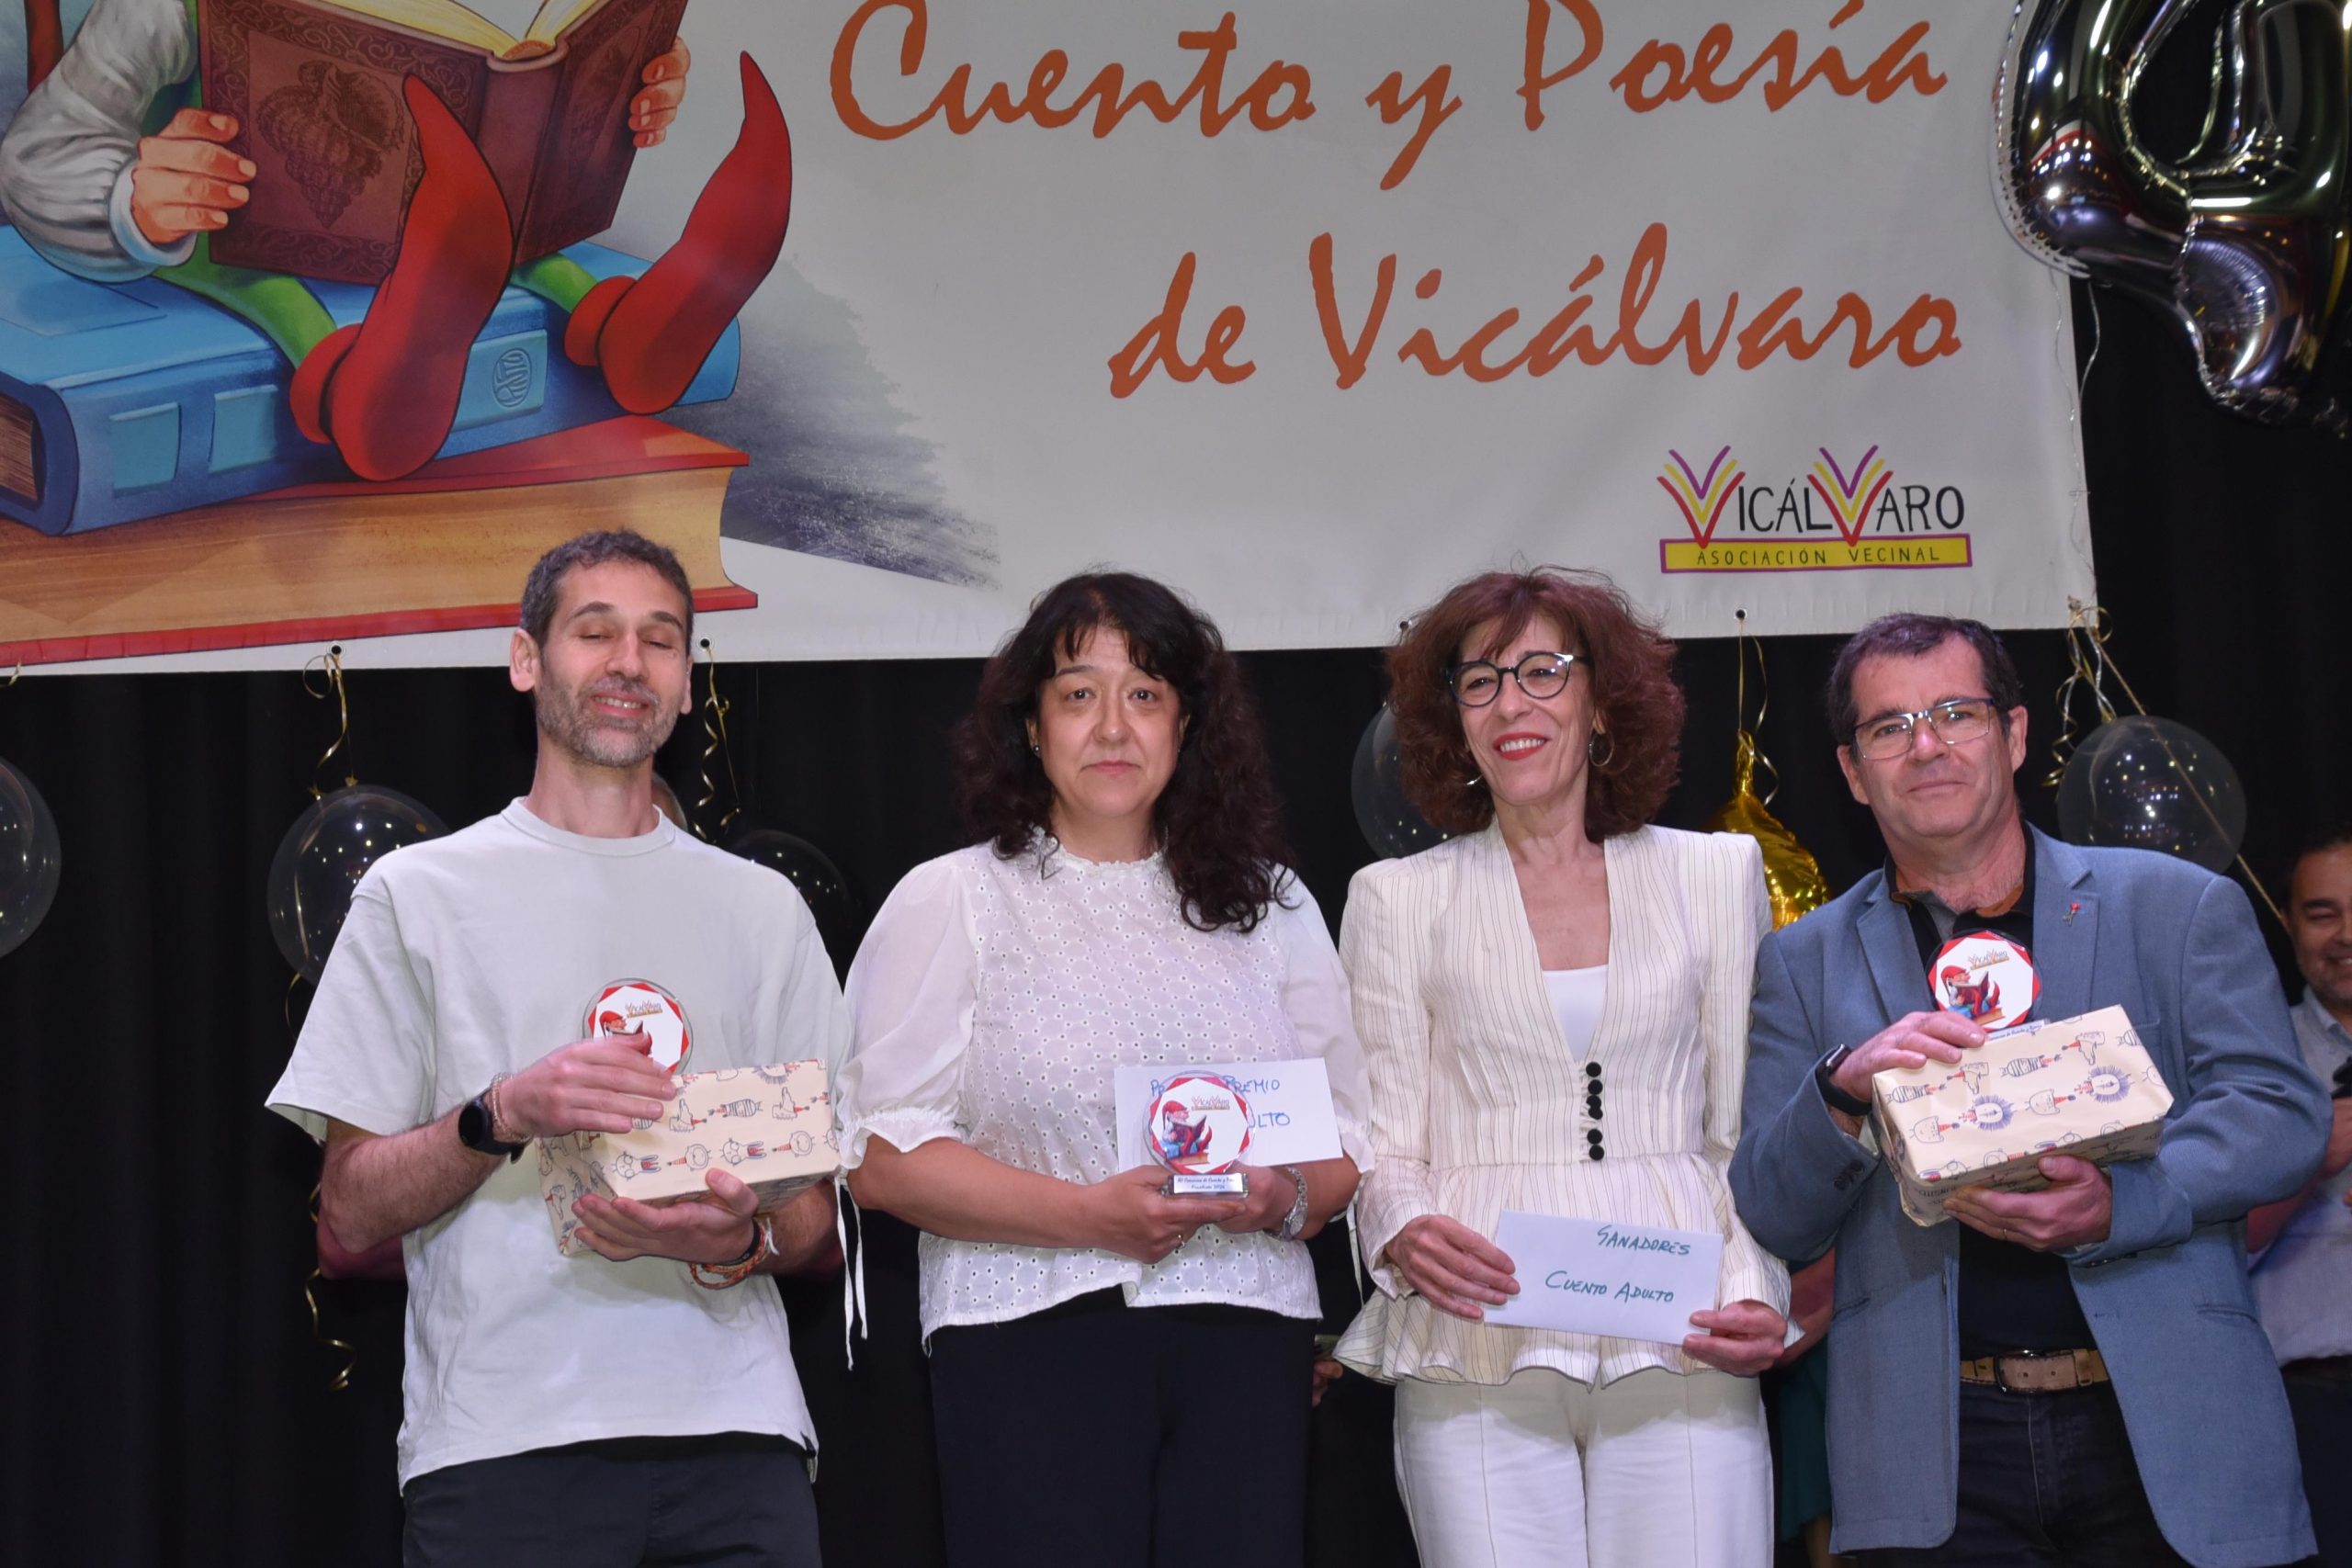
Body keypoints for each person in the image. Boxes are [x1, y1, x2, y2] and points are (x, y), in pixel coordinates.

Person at [266, 530, 848, 1565]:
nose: (629, 662)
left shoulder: (762, 910)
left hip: (739, 1440)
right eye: (595, 632)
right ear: (526, 660)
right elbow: (347, 1212)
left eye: (660, 640)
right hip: (502, 1445)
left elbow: (823, 1219)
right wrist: (505, 1113)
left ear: (685, 683)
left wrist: (738, 1242)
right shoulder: (418, 895)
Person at [1730, 612, 2328, 1567]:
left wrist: (2126, 1202)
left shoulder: (2177, 907)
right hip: (1935, 1458)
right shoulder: (1804, 961)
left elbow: (2278, 1112)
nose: (1926, 745)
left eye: (1955, 713)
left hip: (2173, 1426)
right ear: (1852, 771)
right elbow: (1769, 1207)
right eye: (1889, 727)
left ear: (2013, 735)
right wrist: (1842, 1092)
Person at [835, 571, 1372, 1568]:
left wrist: (1281, 1197)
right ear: (1030, 726)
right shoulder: (954, 898)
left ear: (1186, 725)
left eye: (1146, 694)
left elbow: (1348, 1145)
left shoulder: (1276, 905)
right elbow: (880, 1155)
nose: (1113, 727)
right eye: (1079, 694)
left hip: (1246, 1345)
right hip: (1028, 1343)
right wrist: (1090, 1216)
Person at [1334, 567, 1790, 1568]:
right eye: (1480, 681)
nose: (1512, 705)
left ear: (1602, 704)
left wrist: (1759, 1285)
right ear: (1452, 721)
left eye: (1543, 671)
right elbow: (1382, 1138)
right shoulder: (1393, 899)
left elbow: (1742, 1125)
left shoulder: (1717, 874)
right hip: (1473, 1327)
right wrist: (1400, 1226)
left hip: (1684, 1320)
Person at [2247, 827, 2352, 1567]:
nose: (2347, 934)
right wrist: (2312, 1158)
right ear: (2287, 924)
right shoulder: (2253, 1062)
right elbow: (2211, 1243)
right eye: (2322, 913)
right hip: (2306, 1410)